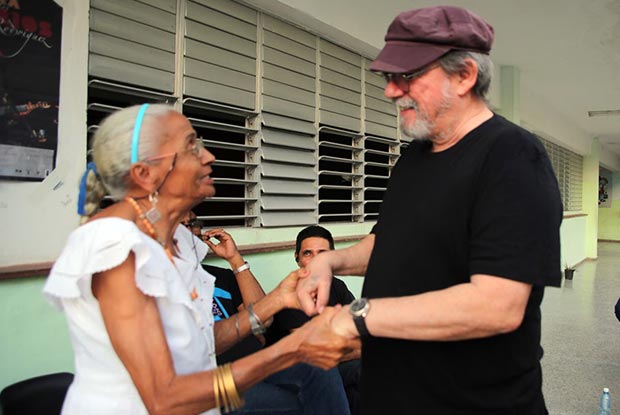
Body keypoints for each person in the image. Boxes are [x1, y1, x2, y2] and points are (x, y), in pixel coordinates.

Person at [297, 6, 563, 414]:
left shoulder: (513, 157)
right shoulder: (414, 158)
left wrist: (358, 315)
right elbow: (384, 245)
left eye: (407, 76)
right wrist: (329, 261)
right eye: (389, 78)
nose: (390, 91)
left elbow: (497, 305)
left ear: (464, 76)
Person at [43, 103, 357, 415]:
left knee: (317, 370)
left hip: (198, 400)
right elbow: (163, 399)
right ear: (144, 173)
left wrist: (277, 299)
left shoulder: (179, 242)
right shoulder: (114, 247)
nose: (209, 157)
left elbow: (201, 344)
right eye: (192, 147)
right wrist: (294, 347)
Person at [181, 215, 351, 414]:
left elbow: (265, 318)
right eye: (180, 224)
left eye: (193, 224)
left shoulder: (222, 277)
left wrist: (235, 259)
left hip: (255, 367)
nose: (189, 230)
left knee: (320, 367)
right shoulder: (159, 284)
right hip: (215, 381)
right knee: (304, 401)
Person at [266, 226, 360, 415]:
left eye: (322, 253)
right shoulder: (290, 292)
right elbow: (313, 352)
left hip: (334, 363)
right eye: (308, 253)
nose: (316, 259)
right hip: (298, 370)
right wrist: (356, 348)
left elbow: (359, 332)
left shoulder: (337, 286)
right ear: (297, 258)